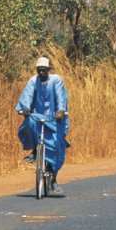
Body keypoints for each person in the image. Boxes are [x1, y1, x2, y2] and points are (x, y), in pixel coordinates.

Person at [16, 56, 69, 187]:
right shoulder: (33, 81)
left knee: (57, 144)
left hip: (54, 117)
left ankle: (53, 177)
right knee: (28, 124)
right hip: (37, 116)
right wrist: (25, 108)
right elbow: (27, 95)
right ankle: (35, 150)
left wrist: (61, 111)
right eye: (39, 70)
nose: (41, 73)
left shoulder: (56, 80)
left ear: (49, 69)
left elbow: (60, 96)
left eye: (44, 70)